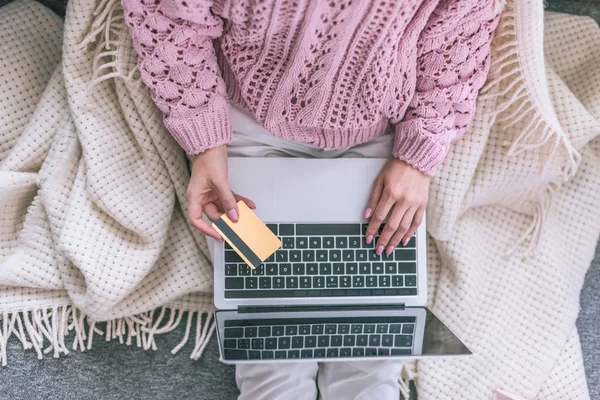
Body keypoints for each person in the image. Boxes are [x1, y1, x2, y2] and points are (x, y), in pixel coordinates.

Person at [122, 0, 499, 398]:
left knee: (371, 361)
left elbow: (463, 28)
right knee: (272, 363)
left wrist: (418, 157)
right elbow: (166, 15)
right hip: (250, 125)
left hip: (380, 139)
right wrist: (205, 140)